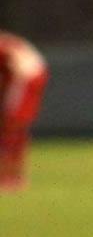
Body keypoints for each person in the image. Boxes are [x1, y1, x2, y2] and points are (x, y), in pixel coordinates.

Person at [0, 31, 48, 193]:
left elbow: (17, 63)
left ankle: (9, 177)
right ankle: (12, 176)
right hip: (28, 76)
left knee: (12, 127)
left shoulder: (4, 45)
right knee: (14, 128)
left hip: (25, 78)